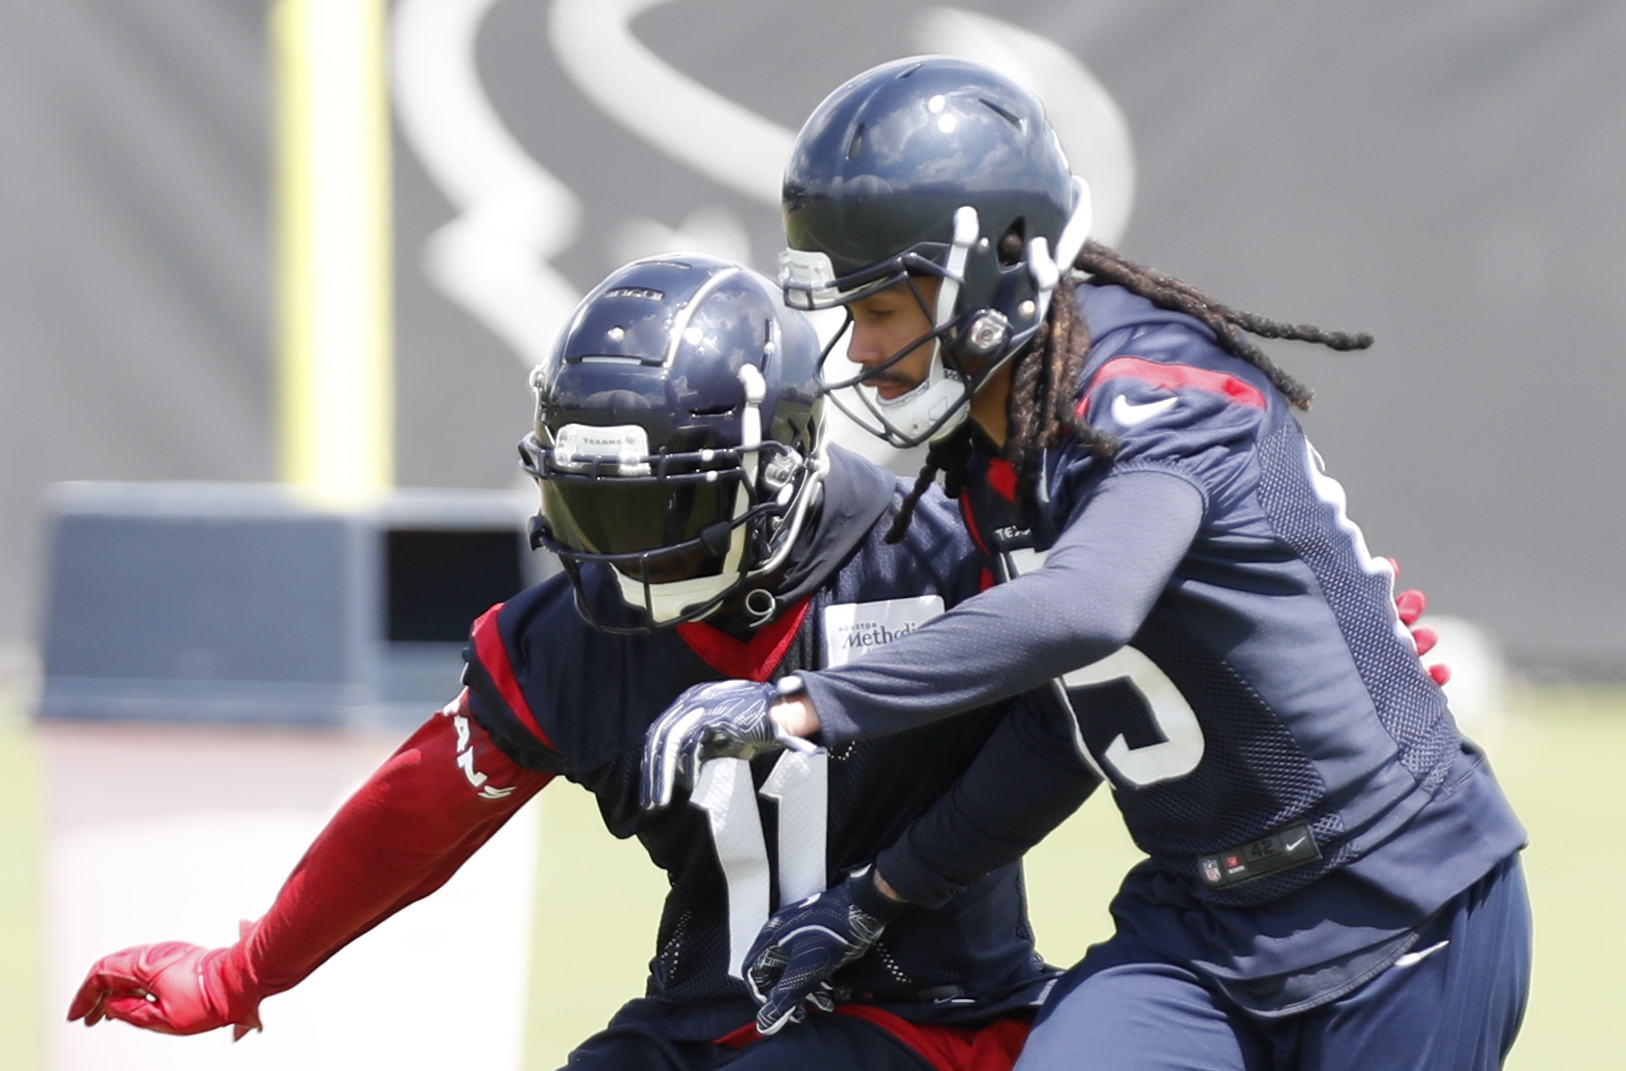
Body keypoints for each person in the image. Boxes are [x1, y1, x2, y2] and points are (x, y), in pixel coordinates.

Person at [641, 57, 1531, 1071]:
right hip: (1199, 920)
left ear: (995, 267)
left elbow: (1089, 607)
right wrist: (878, 896)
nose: (856, 350)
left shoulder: (1161, 390)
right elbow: (1063, 719)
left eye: (881, 309)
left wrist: (803, 705)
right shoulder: (991, 452)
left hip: (1391, 895)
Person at [67, 254, 1100, 1071]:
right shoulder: (573, 635)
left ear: (780, 471)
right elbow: (417, 814)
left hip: (931, 1020)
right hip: (708, 1019)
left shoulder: (932, 548)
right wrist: (248, 968)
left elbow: (1070, 730)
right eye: (598, 506)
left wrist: (884, 894)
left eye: (666, 506)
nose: (628, 550)